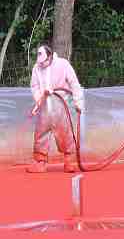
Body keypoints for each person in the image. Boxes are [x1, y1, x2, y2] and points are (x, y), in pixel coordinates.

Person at [27, 44, 84, 173]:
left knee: (65, 134)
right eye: (40, 62)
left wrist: (78, 102)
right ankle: (40, 163)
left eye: (44, 62)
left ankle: (69, 162)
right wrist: (39, 98)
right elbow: (34, 86)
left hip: (61, 105)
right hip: (44, 107)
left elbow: (74, 83)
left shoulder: (63, 65)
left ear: (51, 56)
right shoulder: (37, 68)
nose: (42, 65)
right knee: (40, 135)